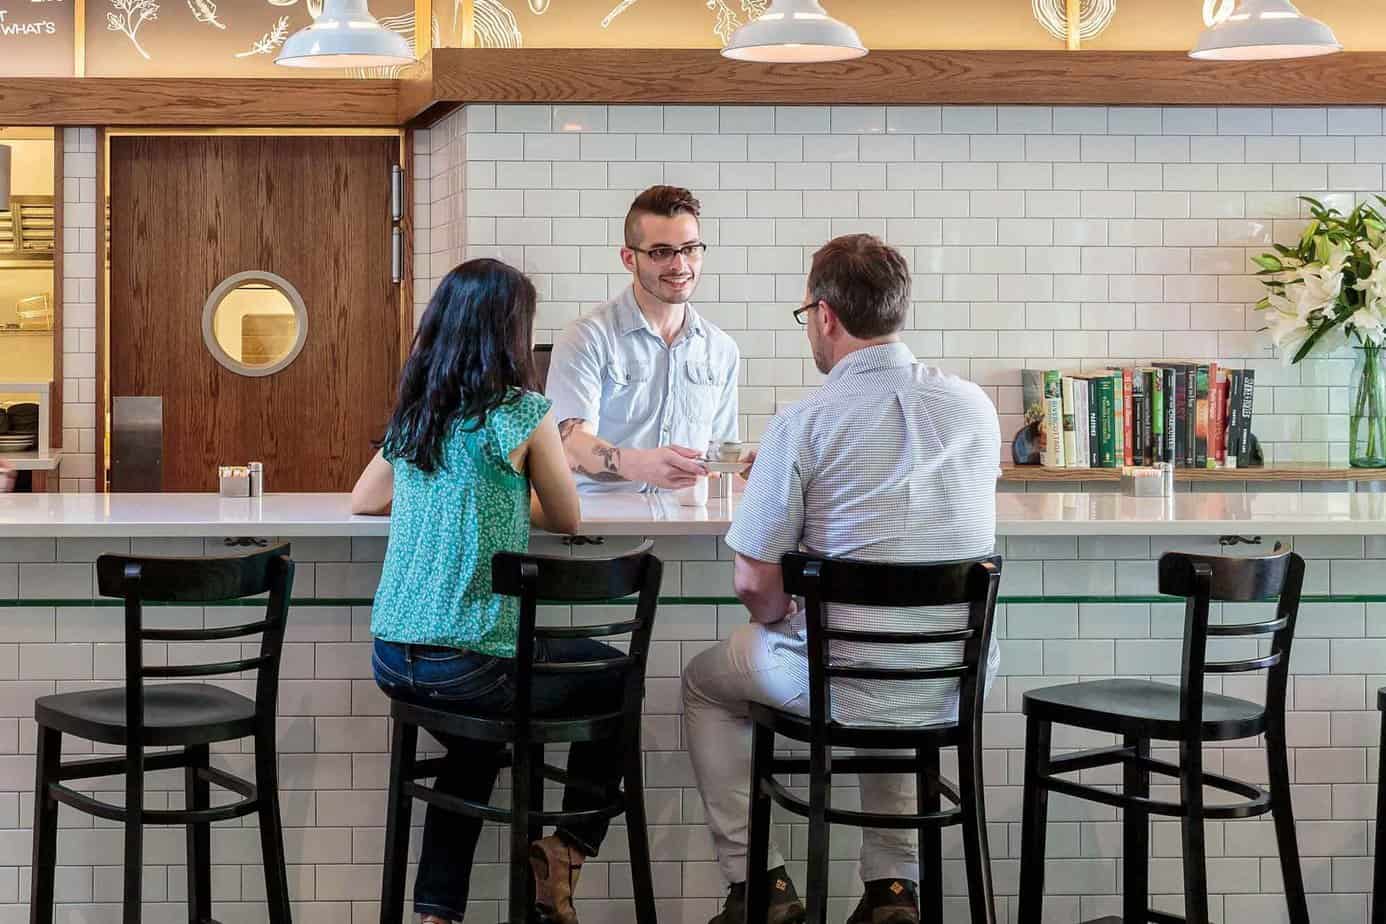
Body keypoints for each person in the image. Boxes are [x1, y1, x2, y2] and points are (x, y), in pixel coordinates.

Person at [681, 235, 1002, 924]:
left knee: (706, 682)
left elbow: (753, 582)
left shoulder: (805, 421)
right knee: (889, 680)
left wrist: (784, 617)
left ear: (824, 315)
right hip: (951, 677)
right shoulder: (974, 407)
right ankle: (894, 890)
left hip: (838, 675)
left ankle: (757, 886)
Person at [352, 259, 621, 924]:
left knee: (477, 744)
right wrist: (507, 495)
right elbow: (567, 517)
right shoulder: (523, 414)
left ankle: (437, 913)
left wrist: (466, 499)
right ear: (511, 333)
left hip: (395, 657)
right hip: (470, 662)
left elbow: (364, 499)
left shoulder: (421, 413)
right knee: (617, 675)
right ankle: (569, 847)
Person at [546, 185, 740, 493]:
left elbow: (719, 460)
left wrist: (747, 470)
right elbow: (569, 443)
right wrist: (641, 466)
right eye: (661, 252)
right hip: (601, 531)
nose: (679, 265)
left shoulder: (721, 350)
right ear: (628, 258)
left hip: (689, 529)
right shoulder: (587, 338)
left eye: (689, 249)